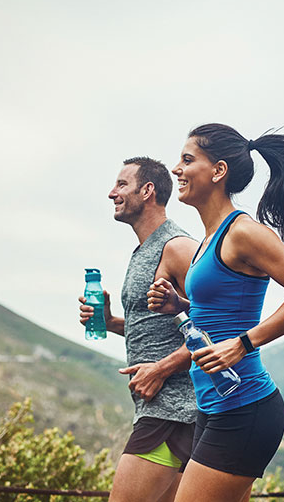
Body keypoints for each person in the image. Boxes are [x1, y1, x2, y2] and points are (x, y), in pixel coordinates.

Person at [147, 123, 284, 502]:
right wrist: (179, 306)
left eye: (187, 159)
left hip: (244, 408)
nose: (176, 169)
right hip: (213, 405)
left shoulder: (243, 232)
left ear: (218, 171)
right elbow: (218, 312)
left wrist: (244, 344)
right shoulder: (208, 241)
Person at [78, 156, 199, 502]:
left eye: (121, 185)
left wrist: (161, 369)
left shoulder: (177, 247)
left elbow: (216, 325)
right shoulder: (144, 250)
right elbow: (163, 322)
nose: (111, 193)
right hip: (163, 411)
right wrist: (112, 321)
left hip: (173, 412)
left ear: (147, 191)